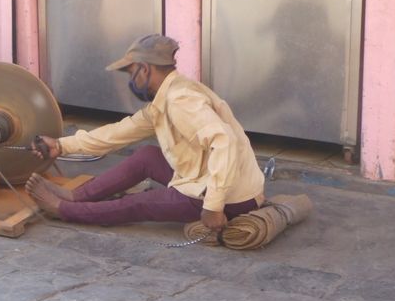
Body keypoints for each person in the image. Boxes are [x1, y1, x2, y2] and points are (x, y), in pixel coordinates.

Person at [26, 34, 265, 232]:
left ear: (145, 69)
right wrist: (61, 145)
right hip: (204, 178)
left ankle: (63, 209)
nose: (131, 81)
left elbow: (224, 141)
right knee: (147, 156)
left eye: (132, 74)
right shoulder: (168, 96)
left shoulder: (180, 99)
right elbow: (119, 132)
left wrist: (213, 207)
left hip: (232, 200)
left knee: (139, 203)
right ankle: (76, 196)